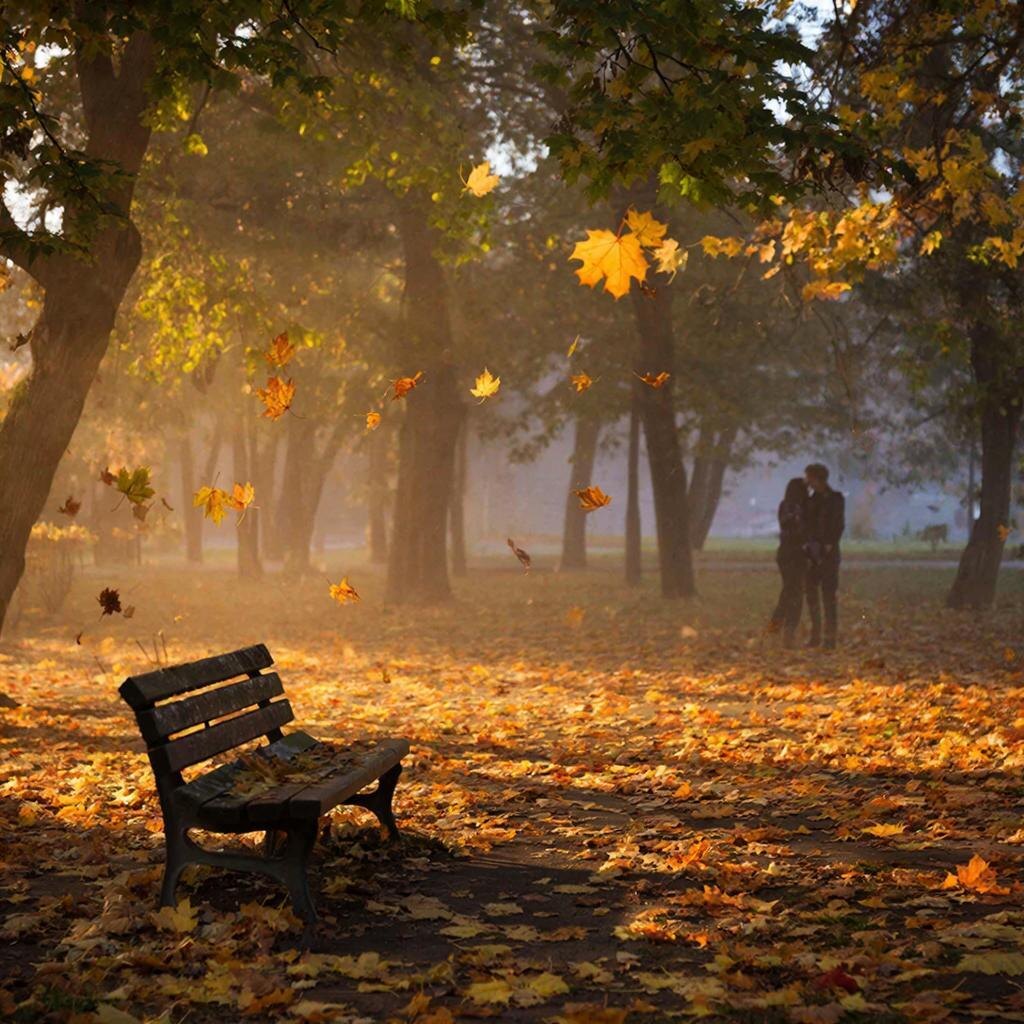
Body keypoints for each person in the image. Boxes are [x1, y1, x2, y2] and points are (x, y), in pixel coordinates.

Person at [803, 463, 845, 649]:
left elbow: (838, 523)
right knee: (812, 594)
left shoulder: (835, 499)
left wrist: (828, 543)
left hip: (828, 552)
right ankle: (816, 635)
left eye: (809, 478)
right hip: (812, 551)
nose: (807, 482)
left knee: (828, 595)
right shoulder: (811, 500)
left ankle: (830, 637)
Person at [769, 477, 809, 647]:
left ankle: (776, 625)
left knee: (789, 590)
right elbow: (795, 527)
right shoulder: (797, 508)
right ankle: (787, 631)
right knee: (795, 592)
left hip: (786, 553)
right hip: (795, 553)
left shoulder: (785, 506)